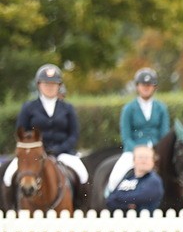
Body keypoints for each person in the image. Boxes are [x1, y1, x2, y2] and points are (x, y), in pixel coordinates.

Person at [3, 64, 89, 209]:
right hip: (32, 156)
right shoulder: (29, 108)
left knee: (83, 174)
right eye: (46, 84)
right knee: (8, 176)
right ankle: (11, 209)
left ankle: (81, 208)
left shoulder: (67, 108)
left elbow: (74, 134)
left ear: (59, 86)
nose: (50, 87)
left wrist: (59, 149)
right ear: (39, 85)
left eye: (53, 84)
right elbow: (21, 133)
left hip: (63, 153)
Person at [106, 67, 170, 197]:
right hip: (133, 151)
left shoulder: (161, 108)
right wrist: (137, 151)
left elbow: (165, 134)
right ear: (137, 87)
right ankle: (111, 195)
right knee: (116, 175)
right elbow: (126, 136)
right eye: (143, 85)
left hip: (156, 151)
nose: (146, 87)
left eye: (149, 85)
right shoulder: (129, 109)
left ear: (154, 87)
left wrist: (156, 151)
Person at [105, 144, 164, 213]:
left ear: (153, 161)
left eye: (147, 158)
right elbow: (110, 200)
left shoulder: (154, 181)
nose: (143, 161)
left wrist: (118, 197)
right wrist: (127, 205)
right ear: (134, 160)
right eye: (140, 157)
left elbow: (139, 197)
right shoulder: (128, 176)